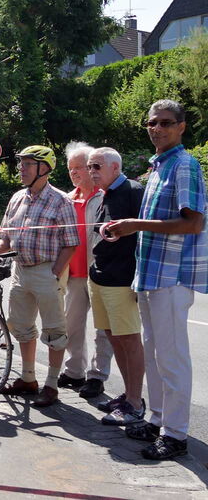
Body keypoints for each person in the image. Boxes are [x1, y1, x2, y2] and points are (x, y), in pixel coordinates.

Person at [107, 99, 207, 460]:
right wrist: (125, 230)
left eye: (166, 123)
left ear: (181, 127)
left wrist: (134, 225)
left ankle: (176, 434)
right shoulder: (159, 166)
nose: (158, 129)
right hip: (150, 274)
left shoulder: (184, 165)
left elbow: (193, 223)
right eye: (152, 123)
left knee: (172, 356)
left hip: (171, 276)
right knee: (154, 353)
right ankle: (158, 419)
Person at [0, 145, 78, 408]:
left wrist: (54, 273)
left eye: (28, 164)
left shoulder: (61, 201)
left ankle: (51, 385)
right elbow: (5, 238)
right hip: (20, 270)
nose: (21, 169)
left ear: (44, 168)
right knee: (21, 326)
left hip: (46, 269)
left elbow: (71, 243)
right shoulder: (17, 198)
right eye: (21, 164)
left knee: (54, 330)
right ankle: (28, 379)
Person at [86, 147, 146, 426]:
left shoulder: (134, 191)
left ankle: (135, 403)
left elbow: (146, 234)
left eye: (96, 166)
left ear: (115, 167)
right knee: (113, 336)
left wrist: (138, 278)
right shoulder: (103, 195)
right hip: (100, 277)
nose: (91, 172)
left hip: (122, 280)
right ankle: (128, 395)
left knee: (130, 339)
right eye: (89, 167)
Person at [56, 142, 113, 397]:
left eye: (80, 167)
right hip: (75, 273)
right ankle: (74, 371)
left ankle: (97, 376)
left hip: (101, 272)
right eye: (71, 168)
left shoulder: (105, 197)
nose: (75, 172)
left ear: (92, 168)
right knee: (72, 325)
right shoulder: (68, 199)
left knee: (103, 328)